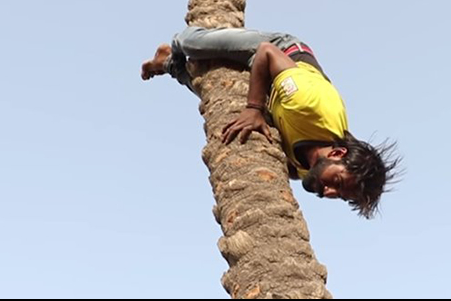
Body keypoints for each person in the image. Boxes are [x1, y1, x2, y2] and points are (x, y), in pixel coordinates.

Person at [141, 27, 400, 218]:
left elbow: (285, 169)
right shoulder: (310, 104)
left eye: (341, 196)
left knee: (214, 90)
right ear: (337, 153)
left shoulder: (306, 168)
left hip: (276, 100)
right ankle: (175, 45)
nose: (331, 193)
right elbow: (266, 53)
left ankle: (166, 63)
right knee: (194, 45)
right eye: (339, 183)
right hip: (282, 52)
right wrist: (254, 109)